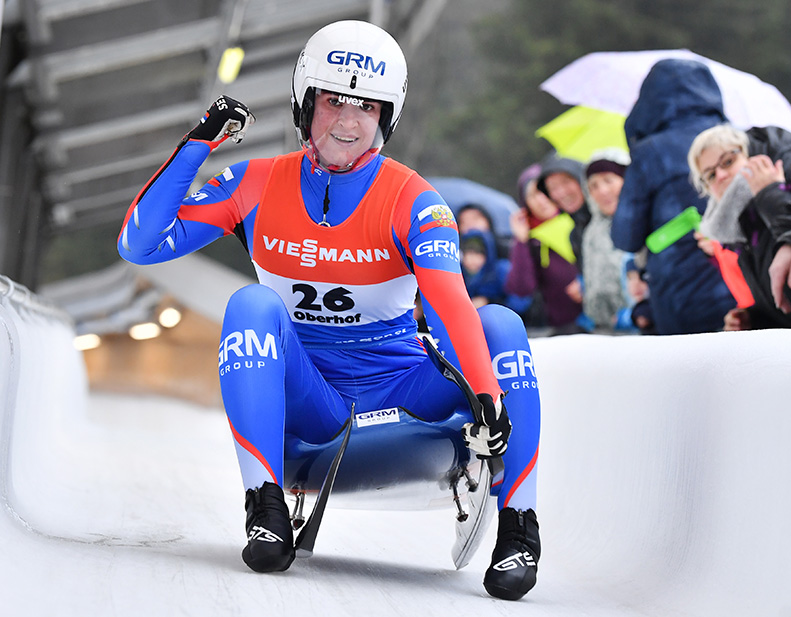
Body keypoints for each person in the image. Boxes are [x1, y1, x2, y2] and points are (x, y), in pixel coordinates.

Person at [117, 20, 540, 601]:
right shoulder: (256, 182)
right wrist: (199, 144)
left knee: (503, 327)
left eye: (366, 106)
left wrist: (488, 399)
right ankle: (263, 507)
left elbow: (449, 306)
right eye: (333, 102)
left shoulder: (415, 200)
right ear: (303, 104)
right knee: (252, 304)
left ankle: (519, 530)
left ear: (386, 117)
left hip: (401, 387)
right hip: (309, 396)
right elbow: (140, 244)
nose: (347, 121)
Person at [611, 59, 736, 334]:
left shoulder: (649, 153)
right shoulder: (735, 141)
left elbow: (625, 237)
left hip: (681, 293)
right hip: (739, 282)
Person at [687, 123, 791, 330]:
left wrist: (771, 194)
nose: (721, 175)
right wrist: (753, 319)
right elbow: (788, 309)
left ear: (751, 154)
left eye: (728, 161)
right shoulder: (741, 235)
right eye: (710, 175)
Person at [505, 163, 584, 334]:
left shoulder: (580, 220)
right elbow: (521, 288)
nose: (542, 200)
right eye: (533, 195)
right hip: (562, 332)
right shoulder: (529, 240)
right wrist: (521, 240)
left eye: (545, 191)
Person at [581, 148, 634, 331]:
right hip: (605, 333)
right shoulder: (592, 232)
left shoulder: (641, 222)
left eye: (608, 180)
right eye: (593, 186)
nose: (602, 190)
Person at [536, 154, 591, 271]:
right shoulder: (575, 235)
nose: (561, 192)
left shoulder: (612, 217)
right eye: (552, 187)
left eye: (566, 182)